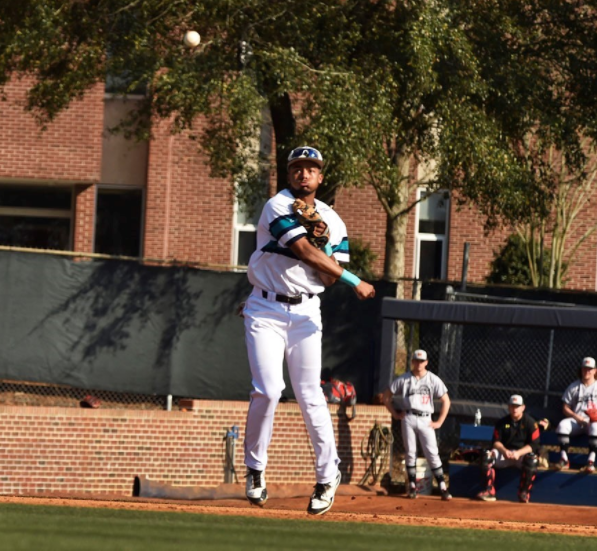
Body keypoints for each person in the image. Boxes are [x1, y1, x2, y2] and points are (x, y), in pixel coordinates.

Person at [242, 146, 376, 516]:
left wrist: (323, 244)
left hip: (306, 312)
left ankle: (327, 475)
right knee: (268, 390)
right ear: (289, 175)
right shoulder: (277, 206)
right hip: (265, 308)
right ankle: (255, 469)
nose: (304, 174)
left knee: (310, 395)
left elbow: (325, 278)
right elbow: (300, 249)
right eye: (297, 168)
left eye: (311, 168)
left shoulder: (334, 220)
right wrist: (354, 279)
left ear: (320, 177)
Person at [382, 349, 452, 501]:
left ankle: (442, 487)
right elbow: (386, 396)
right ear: (412, 361)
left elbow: (446, 400)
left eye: (422, 361)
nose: (419, 364)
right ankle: (412, 486)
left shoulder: (432, 379)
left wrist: (439, 421)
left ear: (426, 362)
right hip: (409, 416)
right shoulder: (405, 379)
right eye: (416, 360)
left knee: (432, 453)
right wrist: (394, 413)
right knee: (410, 452)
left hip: (426, 418)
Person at [477, 394, 540, 503]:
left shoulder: (531, 423)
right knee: (487, 455)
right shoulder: (501, 423)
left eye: (517, 406)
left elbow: (534, 445)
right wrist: (505, 451)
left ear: (523, 407)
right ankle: (489, 490)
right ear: (508, 407)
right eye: (512, 406)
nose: (515, 409)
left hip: (521, 456)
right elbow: (496, 442)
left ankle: (524, 493)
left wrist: (518, 453)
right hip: (504, 454)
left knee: (532, 459)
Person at [553, 356, 597, 473]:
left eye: (589, 369)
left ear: (594, 370)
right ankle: (564, 459)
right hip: (577, 420)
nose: (587, 371)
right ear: (581, 369)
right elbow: (565, 408)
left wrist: (595, 417)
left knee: (595, 427)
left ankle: (590, 462)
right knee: (562, 424)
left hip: (593, 422)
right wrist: (576, 417)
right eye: (584, 368)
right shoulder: (573, 386)